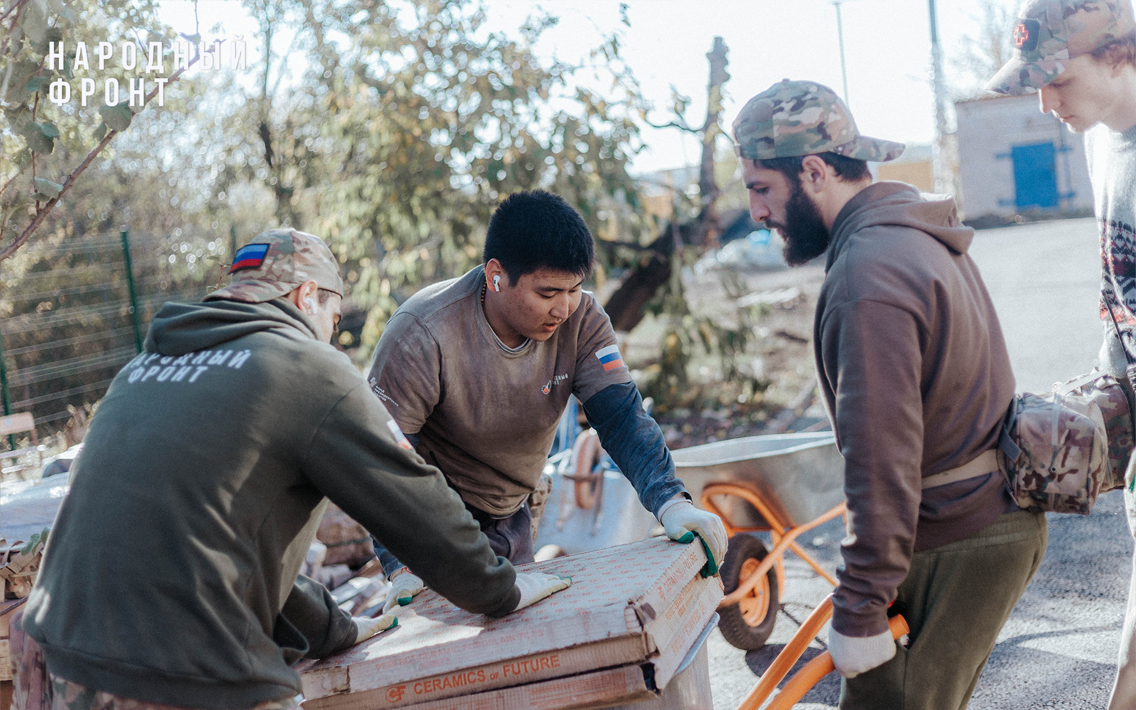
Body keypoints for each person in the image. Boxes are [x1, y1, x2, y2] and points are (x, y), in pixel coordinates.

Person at [15, 228, 569, 710]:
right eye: (332, 315)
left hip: (50, 657)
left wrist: (336, 631)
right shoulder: (303, 367)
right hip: (183, 671)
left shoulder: (143, 370)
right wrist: (503, 590)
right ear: (306, 295)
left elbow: (219, 549)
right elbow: (415, 501)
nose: (331, 332)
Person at [731, 80, 1048, 709]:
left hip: (955, 536)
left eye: (761, 188)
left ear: (814, 171)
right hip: (982, 524)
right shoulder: (911, 234)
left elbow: (883, 462)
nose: (757, 213)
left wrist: (858, 609)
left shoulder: (867, 275)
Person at [366, 190, 728, 612]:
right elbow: (378, 458)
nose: (563, 308)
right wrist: (400, 564)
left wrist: (670, 502)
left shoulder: (583, 320)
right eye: (548, 292)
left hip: (513, 513)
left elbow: (622, 417)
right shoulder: (422, 335)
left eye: (575, 288)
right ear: (496, 274)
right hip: (431, 528)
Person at [986, 2, 1136, 706]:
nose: (1045, 104)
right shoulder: (1102, 138)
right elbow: (1117, 283)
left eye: (1057, 81)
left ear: (1117, 54)